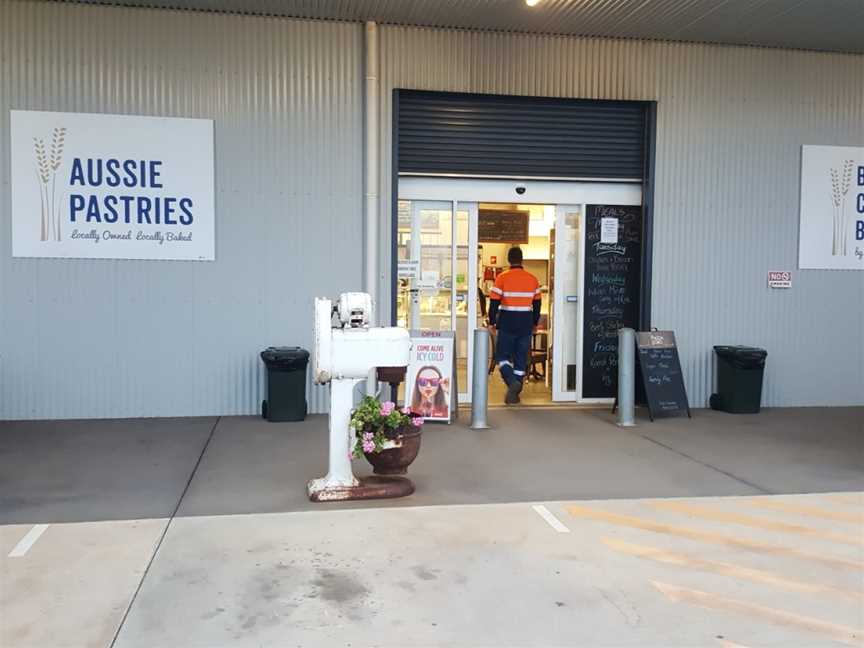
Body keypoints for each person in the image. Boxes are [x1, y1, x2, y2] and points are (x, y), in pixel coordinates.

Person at [488, 247, 541, 404]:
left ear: (509, 260)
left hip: (507, 323)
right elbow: (537, 304)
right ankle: (515, 393)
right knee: (520, 359)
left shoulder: (502, 278)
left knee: (502, 357)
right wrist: (534, 323)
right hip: (525, 323)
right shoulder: (533, 279)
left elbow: (493, 304)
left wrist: (492, 322)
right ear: (522, 260)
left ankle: (512, 382)